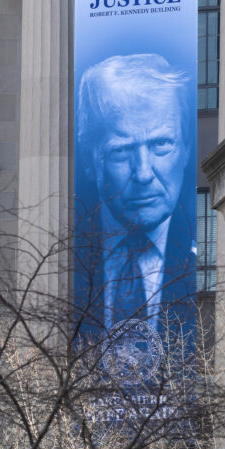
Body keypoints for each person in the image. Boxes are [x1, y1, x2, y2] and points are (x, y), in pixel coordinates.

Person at [74, 53, 196, 353]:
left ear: (186, 149)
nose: (143, 173)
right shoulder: (64, 260)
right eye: (121, 150)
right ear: (91, 161)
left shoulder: (200, 260)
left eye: (161, 144)